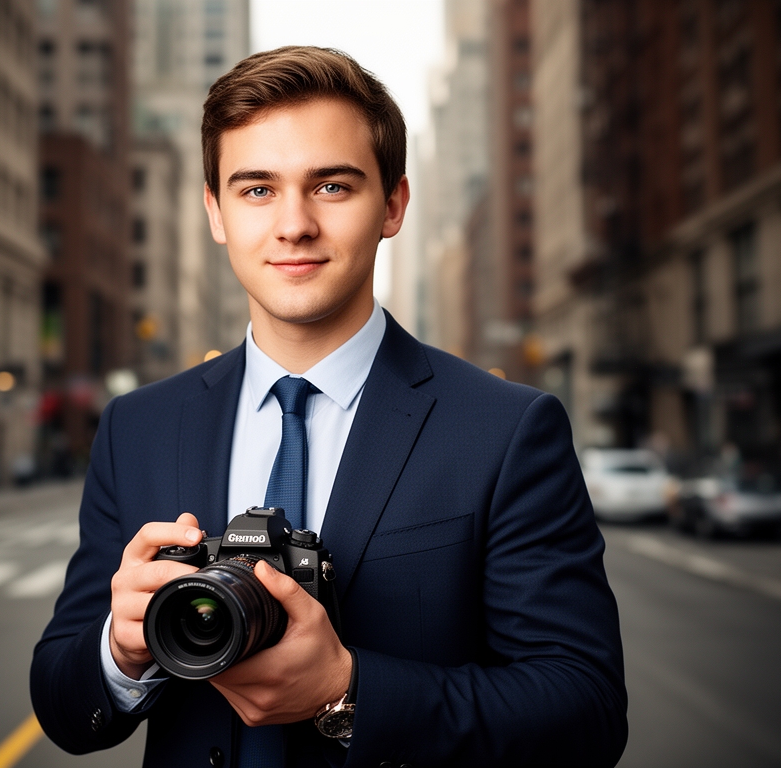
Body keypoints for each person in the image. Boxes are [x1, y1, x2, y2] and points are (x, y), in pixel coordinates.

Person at [31, 46, 627, 768]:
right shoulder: (138, 427)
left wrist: (346, 691)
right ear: (215, 212)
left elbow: (584, 711)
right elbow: (65, 706)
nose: (293, 226)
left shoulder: (505, 430)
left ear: (393, 206)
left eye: (333, 187)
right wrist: (121, 654)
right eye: (256, 190)